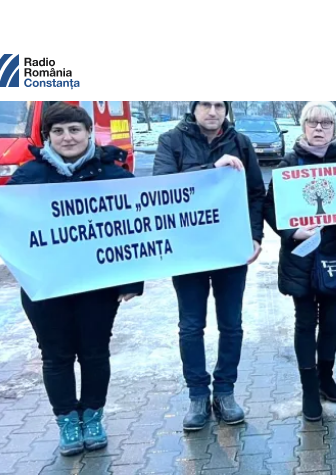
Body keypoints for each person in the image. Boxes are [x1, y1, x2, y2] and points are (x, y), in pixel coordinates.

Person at [7, 102, 144, 456]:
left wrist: (131, 281)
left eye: (74, 129)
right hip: (45, 285)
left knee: (95, 352)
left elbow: (134, 232)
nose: (67, 137)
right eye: (58, 131)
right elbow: (15, 232)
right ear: (47, 136)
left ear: (88, 133)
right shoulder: (27, 177)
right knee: (55, 355)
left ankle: (93, 416)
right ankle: (67, 421)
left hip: (97, 285)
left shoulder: (114, 176)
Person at [153, 101, 266, 431]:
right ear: (194, 107)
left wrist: (255, 236)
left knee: (231, 324)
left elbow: (256, 193)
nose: (213, 111)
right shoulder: (171, 141)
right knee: (191, 326)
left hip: (231, 249)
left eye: (220, 104)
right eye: (206, 104)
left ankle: (225, 392)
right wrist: (211, 169)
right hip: (188, 251)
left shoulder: (240, 142)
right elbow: (162, 188)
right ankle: (198, 395)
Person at [264, 101, 336, 421]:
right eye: (312, 122)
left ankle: (326, 377)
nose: (319, 128)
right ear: (303, 126)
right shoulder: (289, 162)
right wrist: (291, 232)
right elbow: (272, 207)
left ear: (335, 127)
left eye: (326, 123)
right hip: (301, 257)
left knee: (331, 323)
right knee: (304, 322)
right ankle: (309, 388)